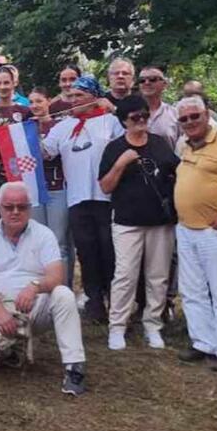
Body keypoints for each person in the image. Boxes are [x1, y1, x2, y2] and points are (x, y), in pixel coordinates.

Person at [0, 182, 87, 395]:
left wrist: (35, 286)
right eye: (9, 207)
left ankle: (74, 367)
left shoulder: (44, 234)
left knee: (63, 294)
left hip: (36, 308)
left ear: (29, 208)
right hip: (1, 307)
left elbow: (56, 276)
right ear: (0, 208)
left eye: (21, 206)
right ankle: (10, 353)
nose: (15, 212)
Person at [98, 95, 178, 350]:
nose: (142, 120)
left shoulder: (160, 144)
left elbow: (174, 174)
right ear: (124, 121)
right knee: (125, 276)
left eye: (145, 115)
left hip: (160, 222)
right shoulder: (114, 148)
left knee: (158, 276)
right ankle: (117, 327)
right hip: (127, 222)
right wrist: (121, 164)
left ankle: (153, 324)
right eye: (135, 117)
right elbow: (105, 186)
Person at [43, 75, 123, 322]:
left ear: (94, 97)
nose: (74, 100)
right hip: (77, 198)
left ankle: (117, 303)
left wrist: (116, 110)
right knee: (86, 252)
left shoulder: (110, 121)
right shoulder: (63, 126)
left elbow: (128, 141)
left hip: (107, 197)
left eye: (80, 96)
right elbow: (47, 151)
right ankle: (95, 303)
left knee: (109, 250)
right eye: (71, 96)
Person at [173, 96, 217, 369]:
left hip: (216, 230)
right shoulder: (184, 145)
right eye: (184, 119)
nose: (190, 122)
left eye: (194, 116)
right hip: (186, 228)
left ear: (207, 114)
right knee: (192, 289)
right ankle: (202, 342)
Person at [28, 87, 75, 285]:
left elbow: (53, 153)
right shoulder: (24, 127)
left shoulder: (60, 126)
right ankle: (43, 288)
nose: (35, 106)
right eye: (31, 102)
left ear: (49, 101)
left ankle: (63, 288)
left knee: (59, 242)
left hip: (57, 188)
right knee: (38, 242)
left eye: (39, 101)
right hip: (35, 190)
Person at [137, 65, 179, 149]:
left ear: (164, 84)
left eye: (153, 79)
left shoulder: (175, 114)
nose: (147, 83)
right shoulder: (129, 113)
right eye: (142, 80)